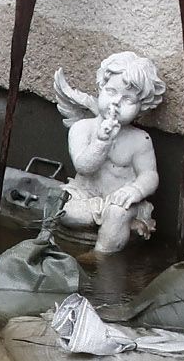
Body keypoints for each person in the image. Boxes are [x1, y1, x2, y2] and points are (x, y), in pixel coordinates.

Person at [55, 52, 163, 255]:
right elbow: (84, 167)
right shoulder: (82, 128)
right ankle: (116, 228)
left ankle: (99, 257)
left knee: (117, 213)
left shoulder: (140, 139)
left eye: (128, 99)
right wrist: (102, 142)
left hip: (121, 201)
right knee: (67, 212)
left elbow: (149, 175)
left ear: (142, 107)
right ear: (100, 88)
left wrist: (135, 191)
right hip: (85, 195)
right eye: (111, 91)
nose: (116, 103)